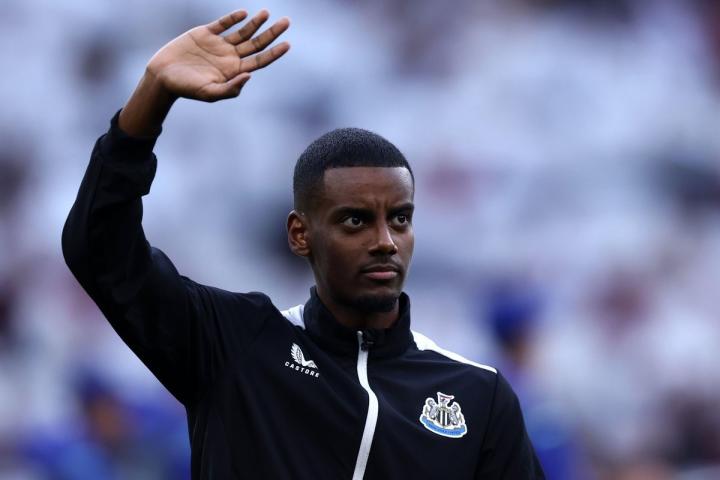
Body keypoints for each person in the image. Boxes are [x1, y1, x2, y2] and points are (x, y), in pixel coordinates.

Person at [62, 8, 544, 479]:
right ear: (300, 234)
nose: (385, 242)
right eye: (355, 221)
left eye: (400, 219)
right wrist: (152, 96)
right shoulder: (235, 345)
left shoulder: (478, 396)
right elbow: (100, 251)